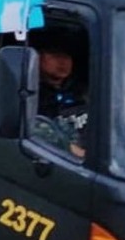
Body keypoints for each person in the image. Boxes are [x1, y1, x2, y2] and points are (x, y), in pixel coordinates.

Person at [31, 28, 89, 158]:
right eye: (54, 54)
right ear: (37, 56)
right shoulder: (29, 94)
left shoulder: (84, 89)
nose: (63, 61)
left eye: (67, 56)